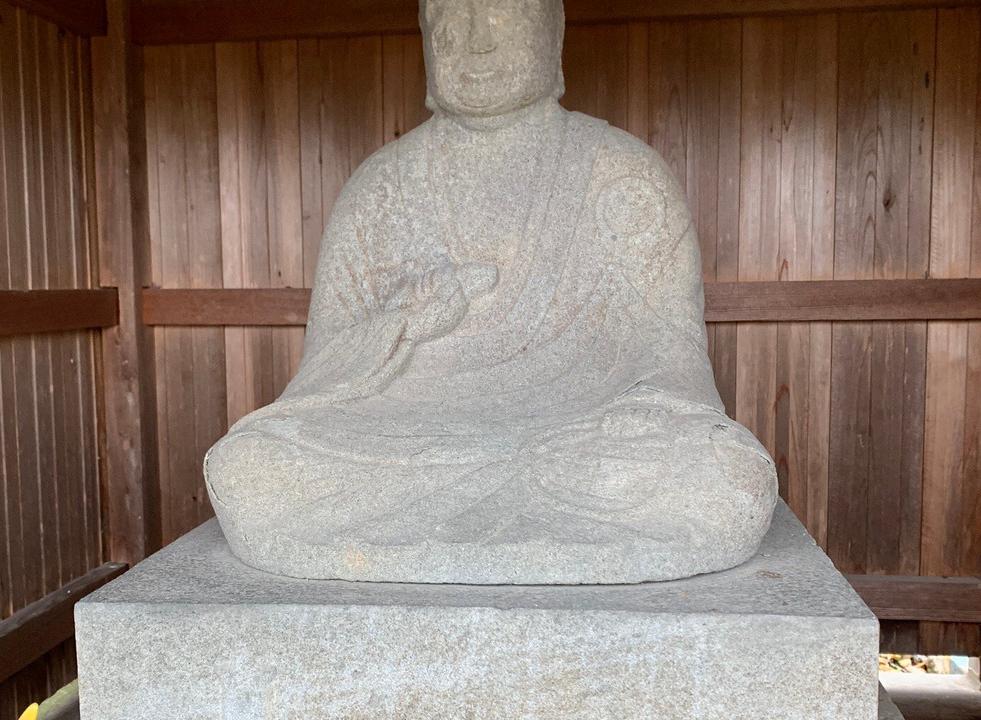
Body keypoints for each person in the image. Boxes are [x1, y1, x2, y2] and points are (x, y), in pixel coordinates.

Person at [204, 0, 777, 584]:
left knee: (725, 474)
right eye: (452, 24)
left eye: (501, 17)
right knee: (251, 466)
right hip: (403, 437)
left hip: (579, 439)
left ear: (551, 33)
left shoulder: (625, 178)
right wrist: (406, 324)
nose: (476, 42)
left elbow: (673, 361)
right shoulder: (378, 189)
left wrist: (639, 416)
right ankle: (520, 501)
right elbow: (322, 379)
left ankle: (493, 499)